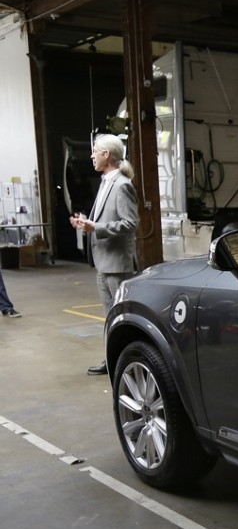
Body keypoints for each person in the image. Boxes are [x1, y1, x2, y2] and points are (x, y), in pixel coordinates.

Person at [70, 134, 138, 376]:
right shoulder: (106, 181)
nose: (91, 156)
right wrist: (85, 223)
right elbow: (104, 219)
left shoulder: (122, 185)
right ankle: (113, 360)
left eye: (95, 151)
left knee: (122, 317)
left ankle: (126, 360)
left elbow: (130, 223)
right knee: (110, 316)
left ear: (107, 155)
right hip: (104, 262)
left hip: (117, 264)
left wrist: (95, 228)